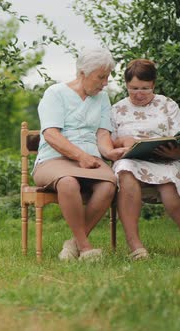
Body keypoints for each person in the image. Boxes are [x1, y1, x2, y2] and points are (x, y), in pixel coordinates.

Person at [32, 47, 127, 262]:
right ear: (83, 73)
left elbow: (102, 134)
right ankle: (85, 248)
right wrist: (79, 156)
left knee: (109, 183)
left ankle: (72, 244)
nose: (105, 83)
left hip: (90, 160)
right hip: (53, 159)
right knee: (68, 182)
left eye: (107, 77)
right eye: (101, 77)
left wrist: (111, 152)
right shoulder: (55, 93)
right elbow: (51, 134)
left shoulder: (102, 98)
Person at [110, 58, 180, 260]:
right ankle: (135, 246)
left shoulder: (168, 104)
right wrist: (121, 142)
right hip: (132, 161)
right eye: (133, 88)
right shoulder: (117, 109)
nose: (138, 94)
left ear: (153, 84)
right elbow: (107, 143)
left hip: (167, 160)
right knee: (124, 170)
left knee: (170, 181)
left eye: (145, 89)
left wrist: (176, 153)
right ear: (126, 85)